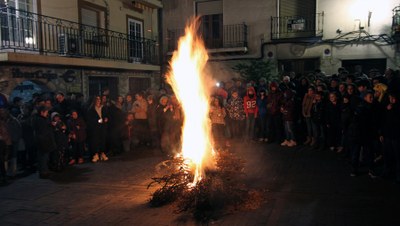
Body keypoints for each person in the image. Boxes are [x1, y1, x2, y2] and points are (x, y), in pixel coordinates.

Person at [33, 106, 57, 179]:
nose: (47, 114)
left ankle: (45, 171)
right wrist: (51, 125)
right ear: (42, 112)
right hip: (44, 142)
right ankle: (43, 172)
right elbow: (44, 131)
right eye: (46, 112)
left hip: (45, 141)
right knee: (43, 158)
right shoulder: (40, 120)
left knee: (45, 157)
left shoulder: (42, 119)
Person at [86, 96, 109, 163]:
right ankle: (95, 154)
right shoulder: (91, 109)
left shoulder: (103, 107)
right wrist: (97, 120)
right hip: (95, 127)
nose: (98, 100)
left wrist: (106, 118)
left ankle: (102, 153)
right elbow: (90, 119)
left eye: (99, 99)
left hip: (103, 126)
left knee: (103, 139)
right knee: (95, 140)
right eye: (97, 99)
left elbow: (106, 115)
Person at [0, 109, 11, 184]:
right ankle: (3, 177)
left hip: (4, 143)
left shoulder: (3, 122)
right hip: (2, 143)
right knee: (2, 161)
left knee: (3, 160)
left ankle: (4, 177)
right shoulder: (1, 123)